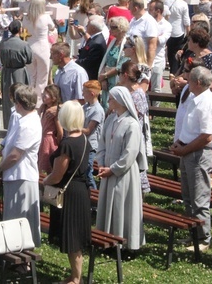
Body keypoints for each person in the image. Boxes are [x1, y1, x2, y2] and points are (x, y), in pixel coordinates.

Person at [170, 66, 212, 251]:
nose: (186, 81)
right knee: (188, 197)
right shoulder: (195, 98)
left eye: (189, 79)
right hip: (187, 151)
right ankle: (193, 234)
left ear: (197, 83)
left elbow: (207, 136)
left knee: (199, 198)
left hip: (198, 155)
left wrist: (185, 150)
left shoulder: (207, 103)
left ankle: (203, 239)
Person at [43, 101, 91, 284]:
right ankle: (75, 275)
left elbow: (57, 175)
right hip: (80, 191)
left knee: (72, 238)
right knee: (76, 237)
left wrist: (45, 180)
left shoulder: (67, 144)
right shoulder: (83, 139)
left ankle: (76, 279)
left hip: (68, 194)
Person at [95, 86, 147, 251]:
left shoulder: (132, 124)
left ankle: (125, 244)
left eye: (110, 99)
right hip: (108, 171)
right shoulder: (110, 119)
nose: (108, 101)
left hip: (123, 174)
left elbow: (130, 154)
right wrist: (102, 163)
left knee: (122, 207)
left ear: (119, 101)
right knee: (108, 204)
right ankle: (107, 239)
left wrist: (113, 169)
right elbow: (101, 143)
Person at [0, 85, 43, 247]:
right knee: (12, 216)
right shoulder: (22, 119)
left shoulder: (29, 124)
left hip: (22, 176)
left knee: (20, 218)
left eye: (16, 101)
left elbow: (16, 155)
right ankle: (13, 249)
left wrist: (0, 168)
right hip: (15, 175)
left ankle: (22, 254)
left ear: (20, 103)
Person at [119, 62, 153, 193]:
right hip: (126, 133)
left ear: (125, 75)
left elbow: (134, 114)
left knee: (135, 166)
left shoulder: (137, 93)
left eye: (120, 74)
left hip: (134, 135)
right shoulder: (128, 91)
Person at [0, 20, 33, 128]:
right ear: (20, 29)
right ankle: (21, 124)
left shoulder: (3, 43)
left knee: (8, 100)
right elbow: (29, 59)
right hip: (20, 72)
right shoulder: (24, 44)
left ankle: (9, 125)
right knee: (22, 97)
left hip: (6, 72)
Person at [23, 0, 57, 104]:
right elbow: (52, 27)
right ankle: (39, 100)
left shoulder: (26, 18)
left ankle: (29, 97)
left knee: (31, 75)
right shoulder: (45, 17)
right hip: (42, 47)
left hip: (30, 46)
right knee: (42, 76)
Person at [98, 17, 130, 106]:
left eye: (113, 27)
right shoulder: (113, 41)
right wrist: (103, 79)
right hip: (106, 80)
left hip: (116, 80)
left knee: (113, 106)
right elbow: (105, 60)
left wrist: (104, 76)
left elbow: (121, 66)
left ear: (121, 28)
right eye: (109, 26)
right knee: (105, 104)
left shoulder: (126, 43)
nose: (110, 29)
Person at [165, 0, 191, 74]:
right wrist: (189, 32)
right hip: (177, 31)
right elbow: (186, 21)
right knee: (175, 53)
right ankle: (173, 72)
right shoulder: (183, 4)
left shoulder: (166, 0)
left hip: (166, 29)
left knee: (169, 51)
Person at [39, 85, 64, 173]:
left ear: (53, 98)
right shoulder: (45, 107)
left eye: (45, 96)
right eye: (43, 95)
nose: (43, 97)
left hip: (49, 140)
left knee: (46, 164)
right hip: (42, 138)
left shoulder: (53, 113)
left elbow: (60, 131)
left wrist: (59, 144)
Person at [76, 16, 107, 81]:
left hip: (90, 76)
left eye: (88, 24)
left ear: (93, 28)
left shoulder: (97, 42)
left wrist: (75, 61)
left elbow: (89, 62)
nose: (86, 26)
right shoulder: (95, 38)